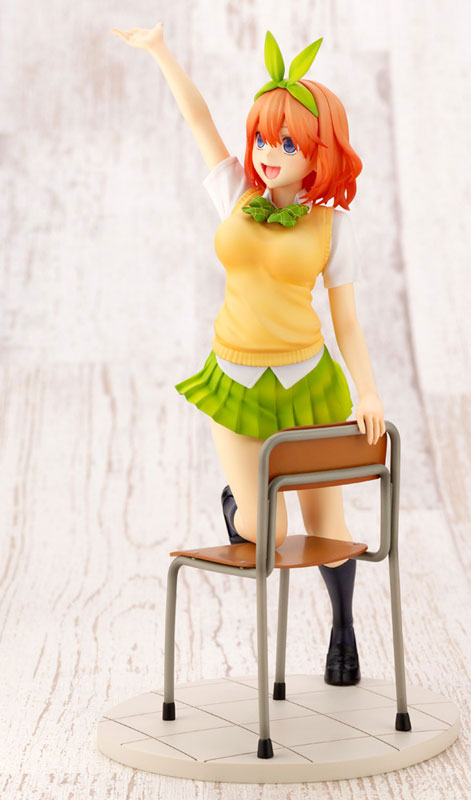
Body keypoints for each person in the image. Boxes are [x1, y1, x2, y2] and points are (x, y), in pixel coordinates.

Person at [111, 23, 386, 686]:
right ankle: (239, 505)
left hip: (309, 385)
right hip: (235, 383)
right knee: (271, 531)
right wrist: (161, 51)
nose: (268, 153)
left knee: (328, 527)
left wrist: (369, 391)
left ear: (317, 152)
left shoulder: (333, 227)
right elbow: (198, 118)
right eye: (263, 138)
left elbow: (347, 321)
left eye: (287, 143)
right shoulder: (236, 193)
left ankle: (344, 628)